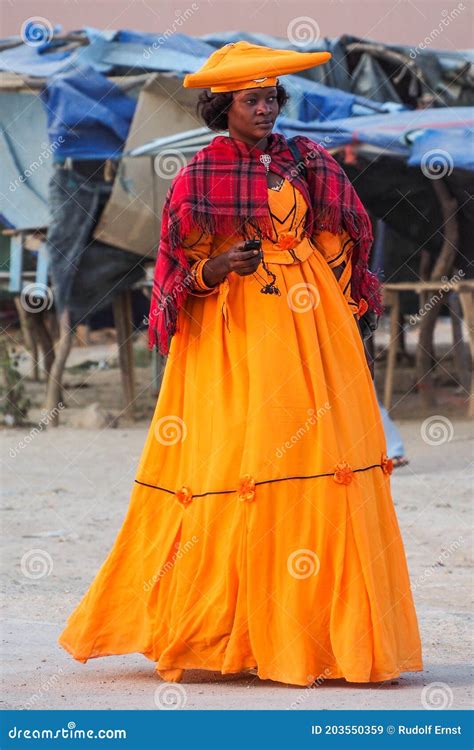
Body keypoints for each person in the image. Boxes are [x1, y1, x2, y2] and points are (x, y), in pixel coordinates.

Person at [58, 41, 423, 687]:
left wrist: (337, 283)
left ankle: (326, 640)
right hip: (236, 333)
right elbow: (172, 272)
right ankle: (229, 634)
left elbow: (344, 231)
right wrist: (216, 267)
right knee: (245, 458)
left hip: (313, 327)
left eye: (272, 98)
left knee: (325, 458)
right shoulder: (199, 175)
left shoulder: (308, 160)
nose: (266, 109)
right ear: (223, 107)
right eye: (253, 100)